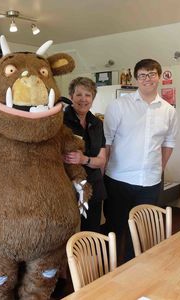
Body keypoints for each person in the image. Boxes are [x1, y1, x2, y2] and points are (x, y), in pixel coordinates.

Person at [103, 58, 178, 264]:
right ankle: (112, 272)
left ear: (160, 77)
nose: (147, 79)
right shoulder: (118, 106)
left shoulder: (168, 110)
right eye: (143, 75)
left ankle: (134, 271)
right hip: (118, 179)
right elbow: (107, 142)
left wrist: (159, 168)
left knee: (142, 231)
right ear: (136, 79)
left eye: (152, 74)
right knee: (116, 229)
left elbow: (168, 143)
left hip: (150, 182)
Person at [63, 77, 107, 232]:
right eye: (79, 94)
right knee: (67, 233)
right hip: (67, 188)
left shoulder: (97, 124)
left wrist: (84, 159)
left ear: (93, 99)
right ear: (71, 97)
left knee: (91, 234)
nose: (83, 99)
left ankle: (90, 258)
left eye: (88, 95)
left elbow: (102, 160)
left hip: (93, 188)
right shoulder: (60, 121)